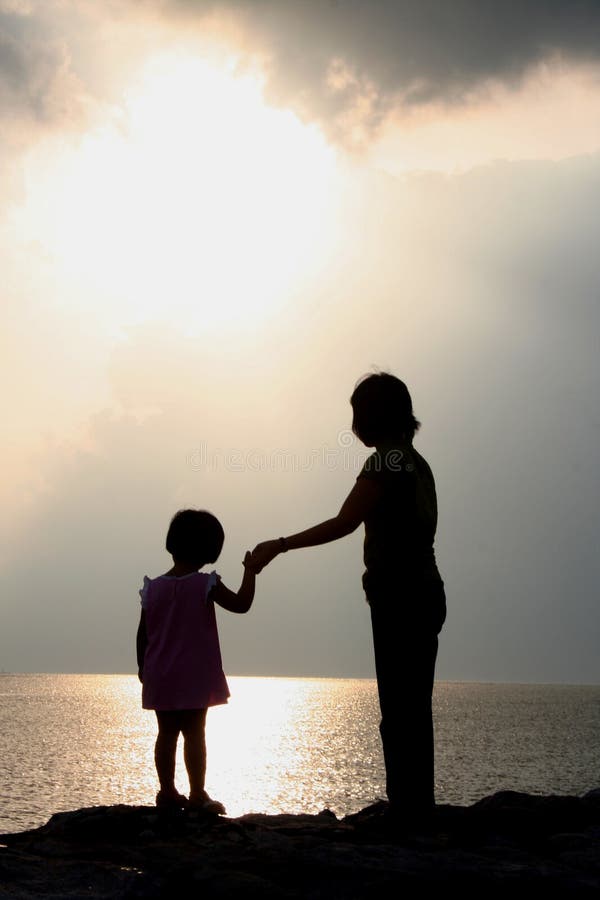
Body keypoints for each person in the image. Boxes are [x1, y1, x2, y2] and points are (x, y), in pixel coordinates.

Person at [250, 372, 446, 824]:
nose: (354, 425)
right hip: (426, 590)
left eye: (358, 414)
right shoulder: (417, 462)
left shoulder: (385, 464)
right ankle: (419, 807)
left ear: (375, 416)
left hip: (400, 596)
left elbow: (344, 522)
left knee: (398, 711)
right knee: (414, 708)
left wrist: (279, 545)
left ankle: (406, 812)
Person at [137, 508, 257, 812]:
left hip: (160, 673)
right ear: (209, 549)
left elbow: (143, 634)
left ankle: (166, 792)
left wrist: (143, 668)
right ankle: (197, 794)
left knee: (166, 733)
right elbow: (242, 604)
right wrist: (250, 572)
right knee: (194, 733)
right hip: (193, 675)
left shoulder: (153, 587)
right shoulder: (206, 584)